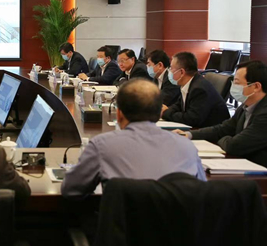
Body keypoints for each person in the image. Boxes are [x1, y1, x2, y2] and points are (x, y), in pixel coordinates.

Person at [62, 79, 206, 198]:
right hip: (176, 225)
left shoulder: (102, 145)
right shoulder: (187, 147)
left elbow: (70, 189)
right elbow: (202, 195)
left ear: (119, 114)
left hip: (122, 224)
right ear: (158, 114)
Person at [175, 61, 267, 167]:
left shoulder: (264, 113)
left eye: (237, 83)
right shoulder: (245, 106)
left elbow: (234, 146)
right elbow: (222, 129)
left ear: (256, 86)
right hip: (245, 163)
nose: (233, 86)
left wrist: (224, 139)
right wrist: (188, 134)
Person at [162, 52, 230, 128]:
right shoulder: (189, 83)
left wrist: (166, 113)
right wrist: (166, 110)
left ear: (182, 72)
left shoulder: (199, 89)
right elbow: (179, 105)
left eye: (171, 68)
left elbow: (192, 119)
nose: (169, 71)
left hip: (210, 131)